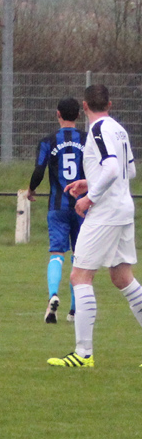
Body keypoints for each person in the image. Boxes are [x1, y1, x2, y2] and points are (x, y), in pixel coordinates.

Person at [48, 84, 140, 368]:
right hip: (123, 209)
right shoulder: (119, 130)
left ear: (85, 106)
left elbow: (113, 169)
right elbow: (130, 170)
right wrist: (90, 181)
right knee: (123, 279)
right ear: (109, 104)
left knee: (79, 277)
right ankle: (83, 353)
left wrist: (90, 197)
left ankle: (83, 353)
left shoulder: (99, 131)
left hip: (106, 214)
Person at [27, 97, 86, 324]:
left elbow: (39, 171)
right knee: (79, 257)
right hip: (82, 207)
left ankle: (53, 294)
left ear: (57, 114)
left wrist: (31, 190)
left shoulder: (48, 142)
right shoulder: (87, 140)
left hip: (57, 207)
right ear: (78, 115)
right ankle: (74, 310)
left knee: (57, 254)